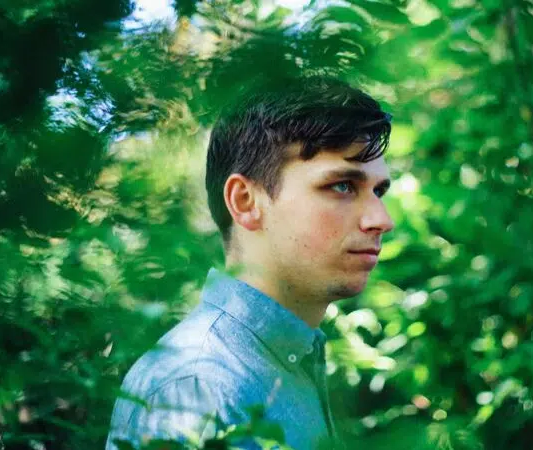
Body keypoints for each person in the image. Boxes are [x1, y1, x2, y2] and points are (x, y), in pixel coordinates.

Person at [105, 75, 395, 450]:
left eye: (379, 191)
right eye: (342, 186)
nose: (381, 219)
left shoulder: (288, 361)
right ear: (245, 201)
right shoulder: (199, 388)